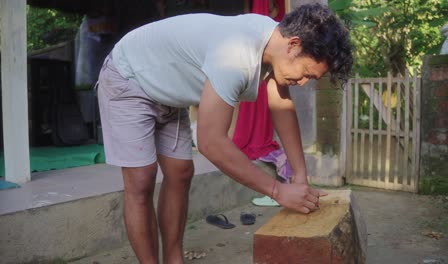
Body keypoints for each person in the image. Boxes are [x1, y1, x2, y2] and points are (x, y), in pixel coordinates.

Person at [97, 3, 353, 264]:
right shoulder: (236, 57)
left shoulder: (274, 40)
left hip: (166, 91)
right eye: (307, 74)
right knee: (141, 179)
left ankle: (174, 259)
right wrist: (277, 190)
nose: (303, 82)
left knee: (180, 172)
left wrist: (299, 176)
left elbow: (281, 104)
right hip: (129, 77)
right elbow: (210, 142)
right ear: (294, 45)